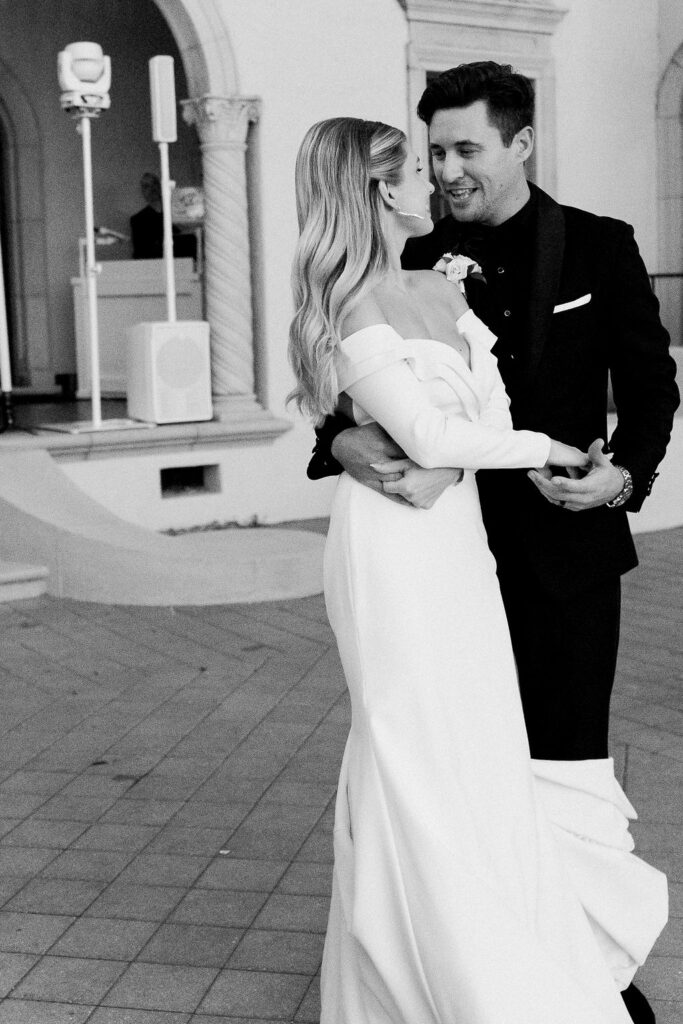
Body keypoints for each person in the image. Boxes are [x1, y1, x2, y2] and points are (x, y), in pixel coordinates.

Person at [308, 64, 678, 1023]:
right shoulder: (404, 250)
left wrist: (623, 477)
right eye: (434, 152)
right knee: (453, 769)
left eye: (467, 148)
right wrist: (340, 442)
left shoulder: (600, 246)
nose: (447, 170)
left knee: (564, 767)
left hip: (566, 563)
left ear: (520, 143)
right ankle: (475, 963)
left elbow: (650, 390)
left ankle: (587, 968)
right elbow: (351, 396)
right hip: (438, 562)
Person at [129, 172, 196, 260]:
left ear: (160, 187)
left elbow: (190, 239)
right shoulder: (138, 220)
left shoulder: (178, 213)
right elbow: (140, 252)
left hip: (183, 263)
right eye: (146, 186)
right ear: (142, 191)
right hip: (153, 267)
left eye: (154, 184)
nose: (152, 189)